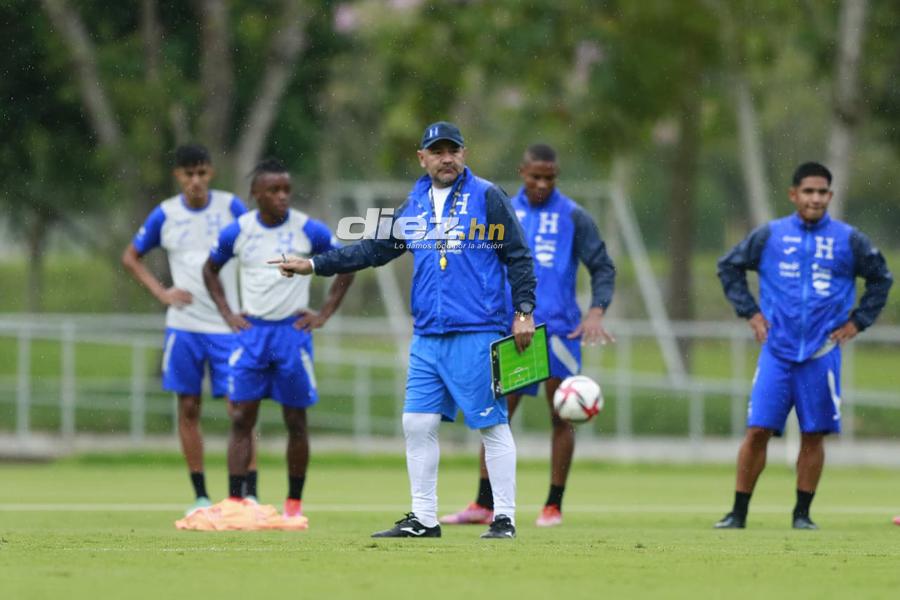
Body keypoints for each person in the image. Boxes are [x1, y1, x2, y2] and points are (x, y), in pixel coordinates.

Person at [274, 121, 537, 539]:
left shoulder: (487, 196)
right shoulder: (413, 204)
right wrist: (312, 265)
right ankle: (424, 519)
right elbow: (372, 249)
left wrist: (523, 310)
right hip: (428, 335)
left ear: (463, 154)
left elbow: (519, 256)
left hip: (477, 329)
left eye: (453, 150)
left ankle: (503, 517)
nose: (446, 157)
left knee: (490, 423)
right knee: (416, 423)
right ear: (423, 158)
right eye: (437, 151)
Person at [440, 143, 616, 528]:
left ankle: (553, 504)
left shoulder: (574, 216)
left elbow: (602, 266)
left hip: (559, 330)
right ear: (522, 171)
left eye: (549, 178)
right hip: (511, 328)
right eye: (535, 176)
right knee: (497, 416)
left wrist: (596, 312)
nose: (541, 184)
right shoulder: (500, 208)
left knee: (563, 416)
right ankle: (484, 504)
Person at [714, 161, 892, 530]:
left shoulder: (849, 239)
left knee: (813, 434)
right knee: (757, 430)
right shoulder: (770, 236)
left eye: (822, 192)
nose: (815, 198)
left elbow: (881, 278)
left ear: (830, 195)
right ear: (793, 194)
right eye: (808, 191)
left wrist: (858, 321)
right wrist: (751, 312)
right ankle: (738, 513)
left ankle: (802, 514)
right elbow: (728, 267)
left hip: (822, 352)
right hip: (777, 351)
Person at [202, 157, 355, 524]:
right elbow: (210, 270)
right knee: (241, 416)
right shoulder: (238, 231)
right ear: (256, 194)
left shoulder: (309, 230)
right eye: (273, 190)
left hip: (292, 333)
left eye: (286, 189)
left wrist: (323, 314)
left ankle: (294, 505)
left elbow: (345, 264)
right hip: (252, 332)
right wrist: (227, 312)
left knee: (296, 420)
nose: (282, 196)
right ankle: (236, 503)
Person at [121, 143, 258, 515]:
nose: (195, 181)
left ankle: (249, 494)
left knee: (241, 409)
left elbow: (255, 245)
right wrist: (161, 292)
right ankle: (200, 494)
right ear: (178, 176)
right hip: (183, 327)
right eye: (188, 174)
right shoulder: (165, 214)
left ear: (210, 173)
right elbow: (131, 256)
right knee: (188, 407)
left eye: (201, 173)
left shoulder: (230, 207)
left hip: (227, 328)